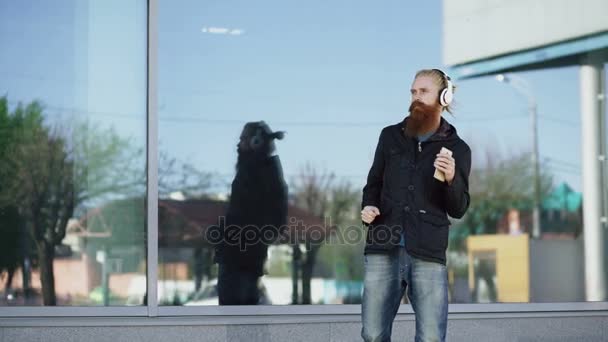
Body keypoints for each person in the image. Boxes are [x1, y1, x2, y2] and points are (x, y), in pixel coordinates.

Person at [360, 69, 471, 342]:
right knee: (373, 335)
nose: (416, 97)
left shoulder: (458, 149)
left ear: (443, 98)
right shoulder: (389, 136)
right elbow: (373, 184)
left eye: (424, 92)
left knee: (431, 338)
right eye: (413, 92)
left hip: (427, 252)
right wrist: (369, 207)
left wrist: (452, 178)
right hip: (383, 245)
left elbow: (458, 208)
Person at [213, 121, 288, 305]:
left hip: (242, 260)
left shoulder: (259, 171)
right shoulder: (255, 170)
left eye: (243, 139)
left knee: (238, 319)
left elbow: (273, 218)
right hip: (240, 258)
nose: (238, 144)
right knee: (239, 320)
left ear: (256, 142)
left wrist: (247, 238)